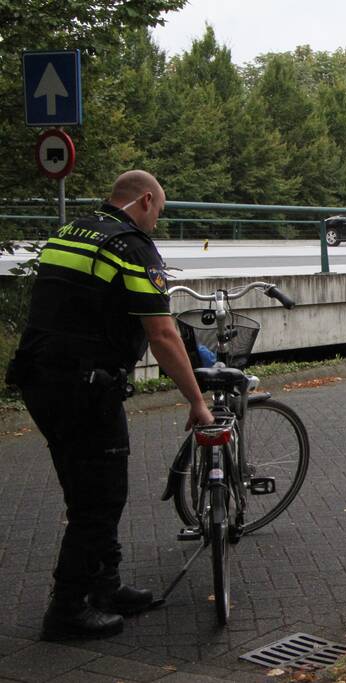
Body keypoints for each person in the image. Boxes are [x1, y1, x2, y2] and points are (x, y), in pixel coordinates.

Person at [5, 170, 214, 641]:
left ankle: (106, 585)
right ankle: (67, 609)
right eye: (158, 212)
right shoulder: (130, 247)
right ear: (145, 201)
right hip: (86, 387)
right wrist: (196, 401)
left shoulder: (71, 231)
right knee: (100, 499)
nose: (156, 223)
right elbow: (161, 333)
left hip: (39, 380)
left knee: (84, 489)